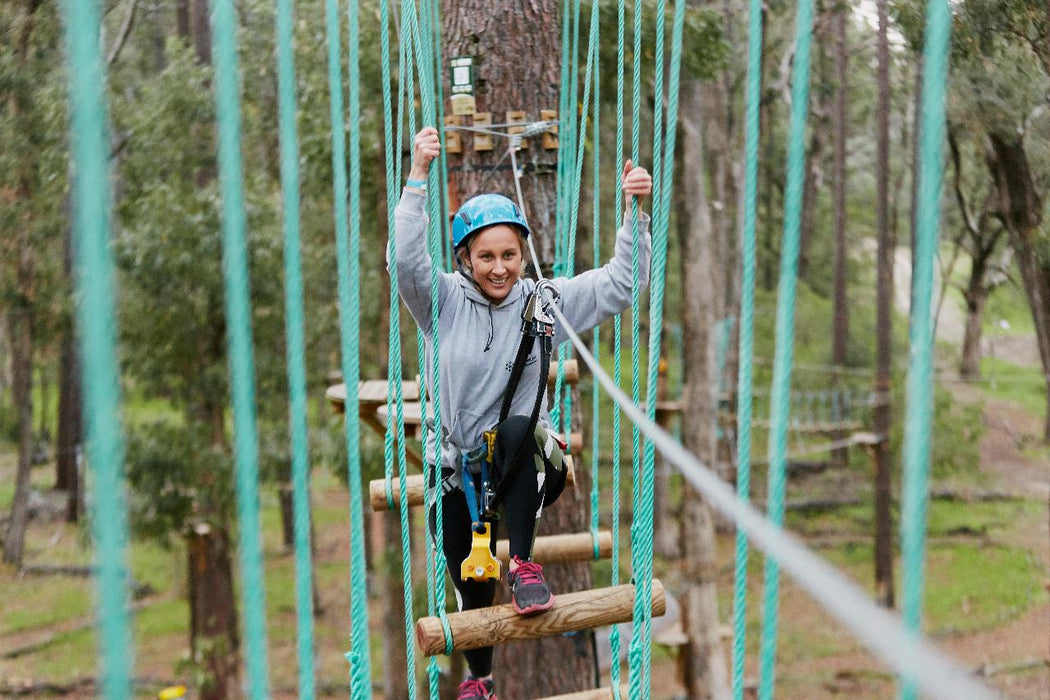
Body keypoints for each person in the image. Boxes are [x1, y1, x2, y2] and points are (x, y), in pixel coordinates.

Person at [391, 126, 652, 700]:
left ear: (523, 254)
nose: (500, 268)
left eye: (510, 254)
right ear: (465, 258)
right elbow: (405, 260)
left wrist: (635, 216)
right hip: (458, 472)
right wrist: (416, 178)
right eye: (486, 256)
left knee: (512, 431)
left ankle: (526, 567)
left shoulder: (544, 304)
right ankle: (479, 679)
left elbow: (620, 285)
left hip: (529, 463)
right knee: (469, 580)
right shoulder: (439, 303)